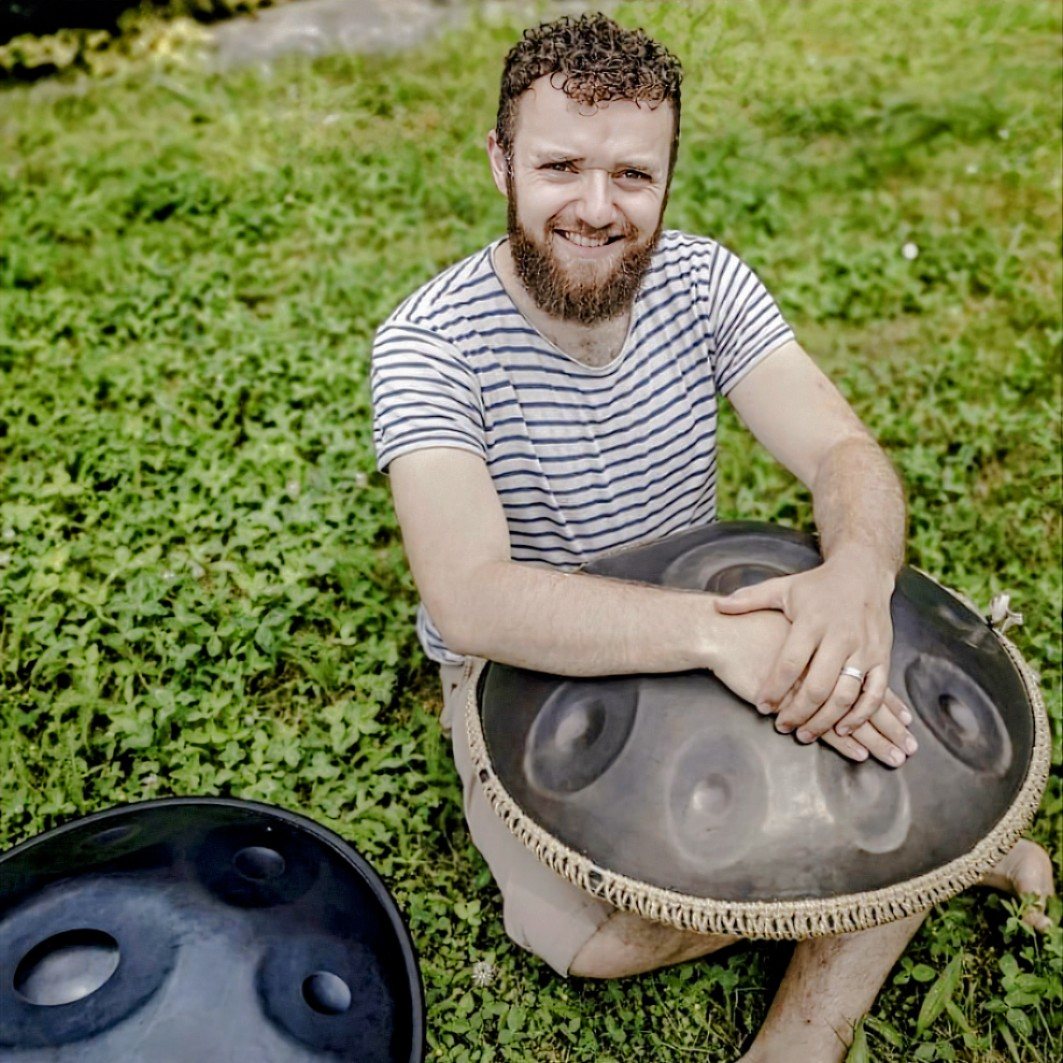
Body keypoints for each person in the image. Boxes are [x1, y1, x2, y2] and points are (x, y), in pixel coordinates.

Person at [371, 14, 1054, 1061]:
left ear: (668, 176)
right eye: (559, 165)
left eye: (633, 176)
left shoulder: (704, 282)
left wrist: (859, 576)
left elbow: (842, 454)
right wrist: (713, 638)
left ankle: (804, 1033)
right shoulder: (429, 346)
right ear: (500, 161)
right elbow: (470, 595)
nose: (596, 210)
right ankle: (944, 861)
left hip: (722, 603)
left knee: (875, 740)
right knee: (590, 937)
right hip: (533, 670)